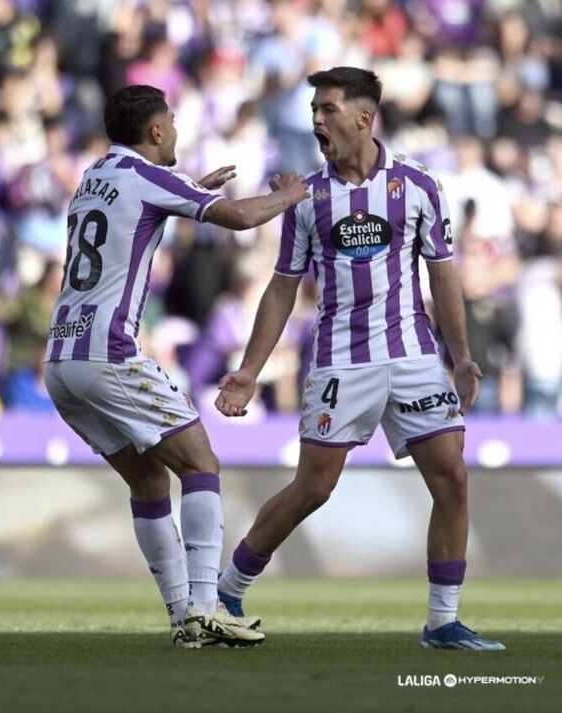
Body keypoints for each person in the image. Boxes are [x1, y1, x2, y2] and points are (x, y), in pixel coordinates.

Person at [213, 67, 504, 651]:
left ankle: (442, 622)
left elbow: (442, 276)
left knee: (452, 478)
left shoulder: (419, 186)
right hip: (341, 361)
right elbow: (281, 288)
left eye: (327, 109)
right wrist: (248, 371)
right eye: (314, 109)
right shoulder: (306, 198)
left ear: (364, 117)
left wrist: (462, 355)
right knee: (314, 488)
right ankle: (225, 592)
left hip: (415, 354)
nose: (316, 119)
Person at [43, 84, 308, 649]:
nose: (178, 131)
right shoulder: (146, 175)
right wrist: (290, 195)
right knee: (199, 461)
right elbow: (237, 218)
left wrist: (187, 189)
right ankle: (208, 606)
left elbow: (134, 214)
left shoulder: (93, 175)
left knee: (147, 479)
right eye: (173, 121)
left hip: (62, 359)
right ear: (157, 130)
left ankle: (182, 617)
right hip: (108, 353)